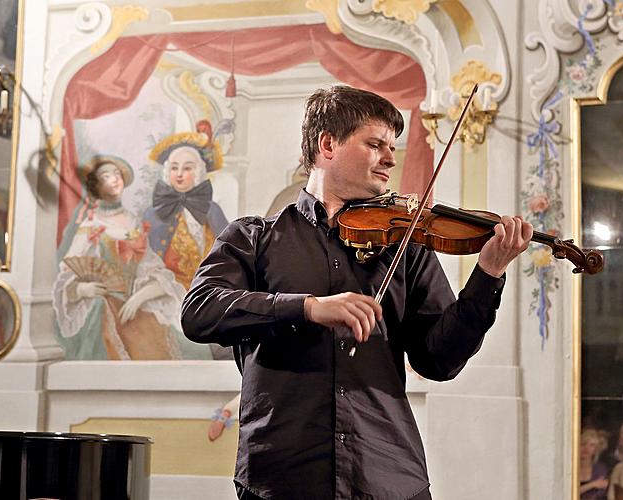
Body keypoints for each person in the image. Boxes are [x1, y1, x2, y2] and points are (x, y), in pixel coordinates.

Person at [181, 85, 533, 499]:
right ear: (327, 144)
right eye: (375, 144)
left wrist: (488, 273)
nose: (390, 158)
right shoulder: (252, 238)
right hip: (282, 476)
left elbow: (440, 361)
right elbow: (199, 311)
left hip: (387, 476)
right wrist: (309, 308)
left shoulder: (406, 245)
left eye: (393, 146)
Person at [53, 155, 207, 360]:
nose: (115, 179)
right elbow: (68, 273)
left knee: (187, 347)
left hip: (135, 302)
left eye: (117, 174)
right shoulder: (91, 226)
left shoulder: (133, 222)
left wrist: (140, 297)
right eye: (106, 176)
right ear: (95, 185)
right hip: (104, 306)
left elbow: (153, 268)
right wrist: (83, 289)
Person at [144, 128, 229, 290]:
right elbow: (145, 261)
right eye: (174, 168)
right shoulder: (154, 212)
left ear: (198, 172)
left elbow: (231, 249)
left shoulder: (212, 210)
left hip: (210, 288)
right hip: (168, 289)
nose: (179, 174)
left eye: (187, 168)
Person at [580, 428, 610, 499]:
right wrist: (592, 484)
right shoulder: (570, 467)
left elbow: (600, 494)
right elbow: (567, 492)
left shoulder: (600, 469)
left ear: (596, 450)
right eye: (583, 444)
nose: (586, 448)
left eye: (592, 445)